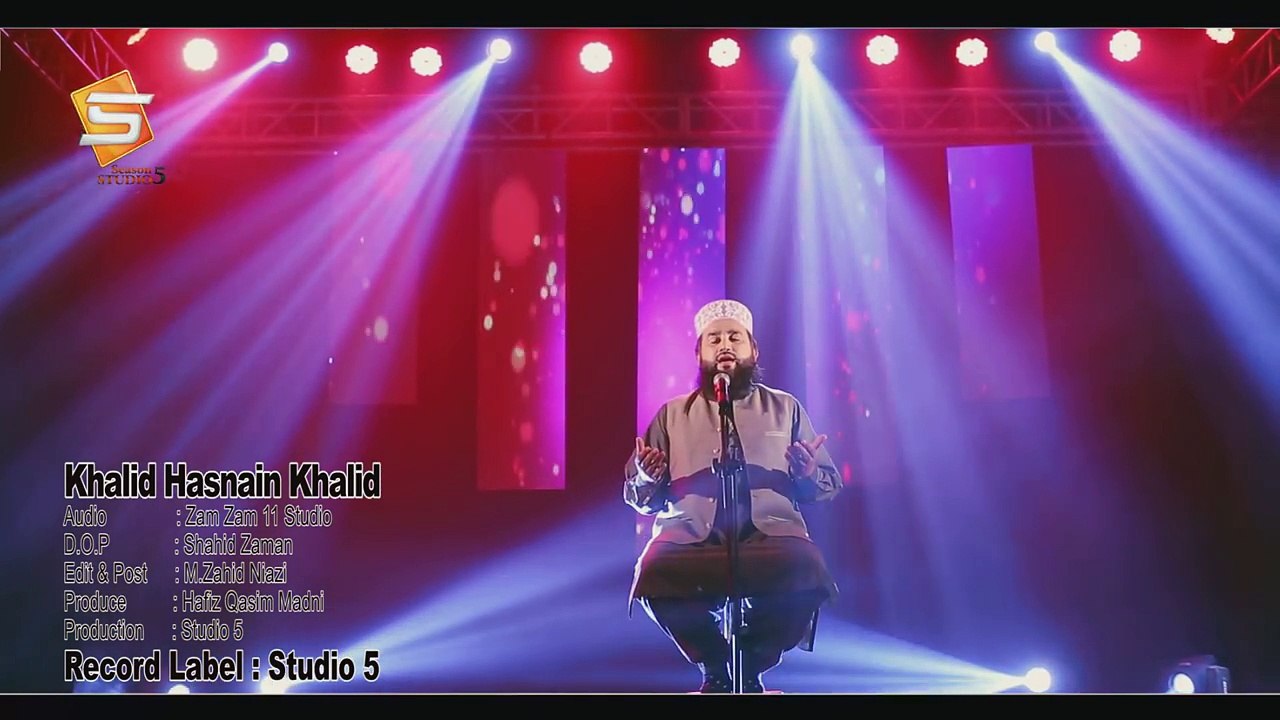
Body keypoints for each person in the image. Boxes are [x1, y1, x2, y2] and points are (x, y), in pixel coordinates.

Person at [624, 298, 842, 693]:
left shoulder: (785, 407)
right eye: (714, 339)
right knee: (653, 572)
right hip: (689, 535)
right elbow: (638, 496)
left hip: (770, 533)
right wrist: (645, 477)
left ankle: (752, 666)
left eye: (734, 338)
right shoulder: (672, 414)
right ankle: (715, 667)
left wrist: (807, 473)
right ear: (699, 354)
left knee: (808, 569)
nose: (725, 345)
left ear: (753, 350)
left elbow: (827, 484)